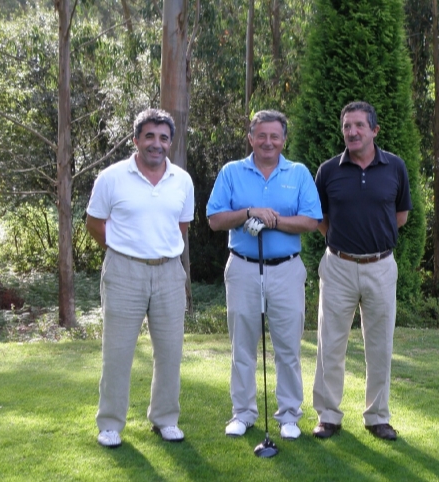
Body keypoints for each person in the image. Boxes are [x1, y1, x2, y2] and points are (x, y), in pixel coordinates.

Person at [206, 110, 322, 441]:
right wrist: (248, 213)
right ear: (251, 138)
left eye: (275, 136)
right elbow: (214, 219)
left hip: (286, 268)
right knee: (242, 345)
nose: (268, 142)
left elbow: (312, 221)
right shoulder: (231, 172)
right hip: (243, 267)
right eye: (261, 135)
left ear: (284, 140)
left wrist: (272, 220)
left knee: (288, 347)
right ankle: (242, 413)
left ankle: (289, 415)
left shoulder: (298, 173)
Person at [86, 108, 195, 448]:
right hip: (124, 271)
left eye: (163, 138)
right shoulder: (111, 177)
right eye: (149, 136)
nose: (156, 144)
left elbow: (181, 226)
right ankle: (110, 424)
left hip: (168, 272)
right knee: (117, 352)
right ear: (136, 139)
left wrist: (156, 251)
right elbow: (94, 223)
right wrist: (124, 250)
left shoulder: (183, 180)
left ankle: (165, 419)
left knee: (170, 352)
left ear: (171, 143)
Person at [311, 101, 412, 441]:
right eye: (346, 126)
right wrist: (342, 247)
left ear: (374, 130)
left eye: (358, 126)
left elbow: (401, 216)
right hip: (338, 266)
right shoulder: (328, 171)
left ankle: (377, 416)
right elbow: (320, 219)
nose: (352, 132)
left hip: (381, 266)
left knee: (381, 345)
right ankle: (328, 415)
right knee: (330, 343)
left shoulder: (395, 167)